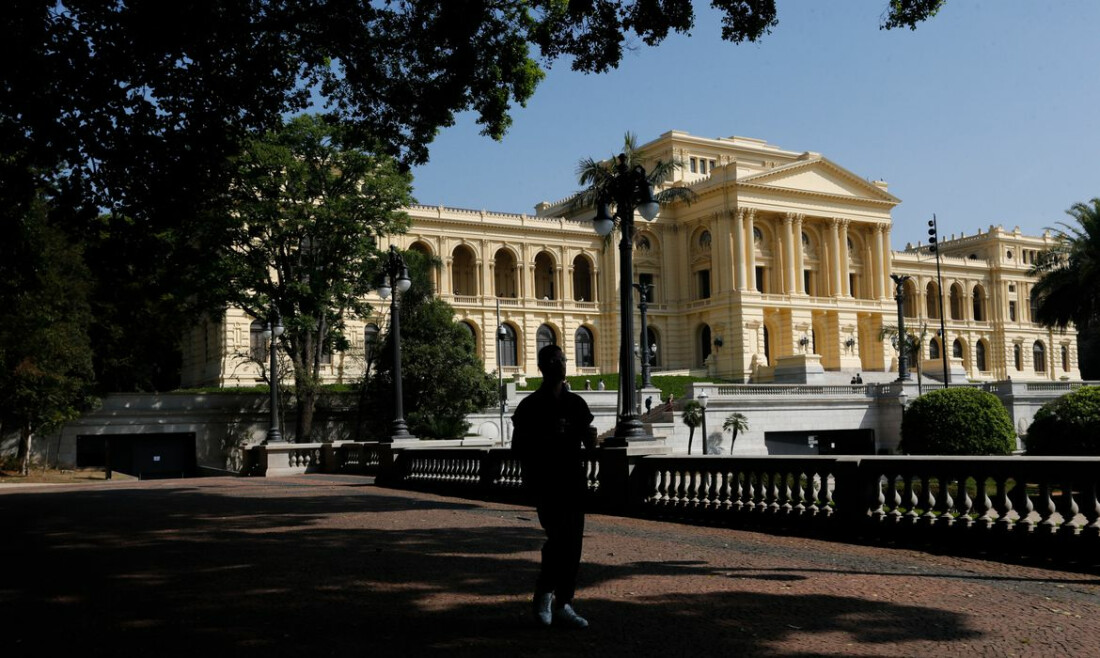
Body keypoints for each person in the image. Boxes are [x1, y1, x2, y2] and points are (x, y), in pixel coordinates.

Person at [512, 344, 594, 629]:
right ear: (543, 366)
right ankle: (546, 595)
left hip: (573, 481)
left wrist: (587, 437)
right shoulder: (530, 406)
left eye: (563, 359)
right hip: (546, 482)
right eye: (556, 360)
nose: (561, 364)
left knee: (573, 544)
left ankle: (563, 602)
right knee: (559, 540)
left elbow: (588, 440)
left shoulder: (576, 404)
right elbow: (518, 447)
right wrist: (548, 438)